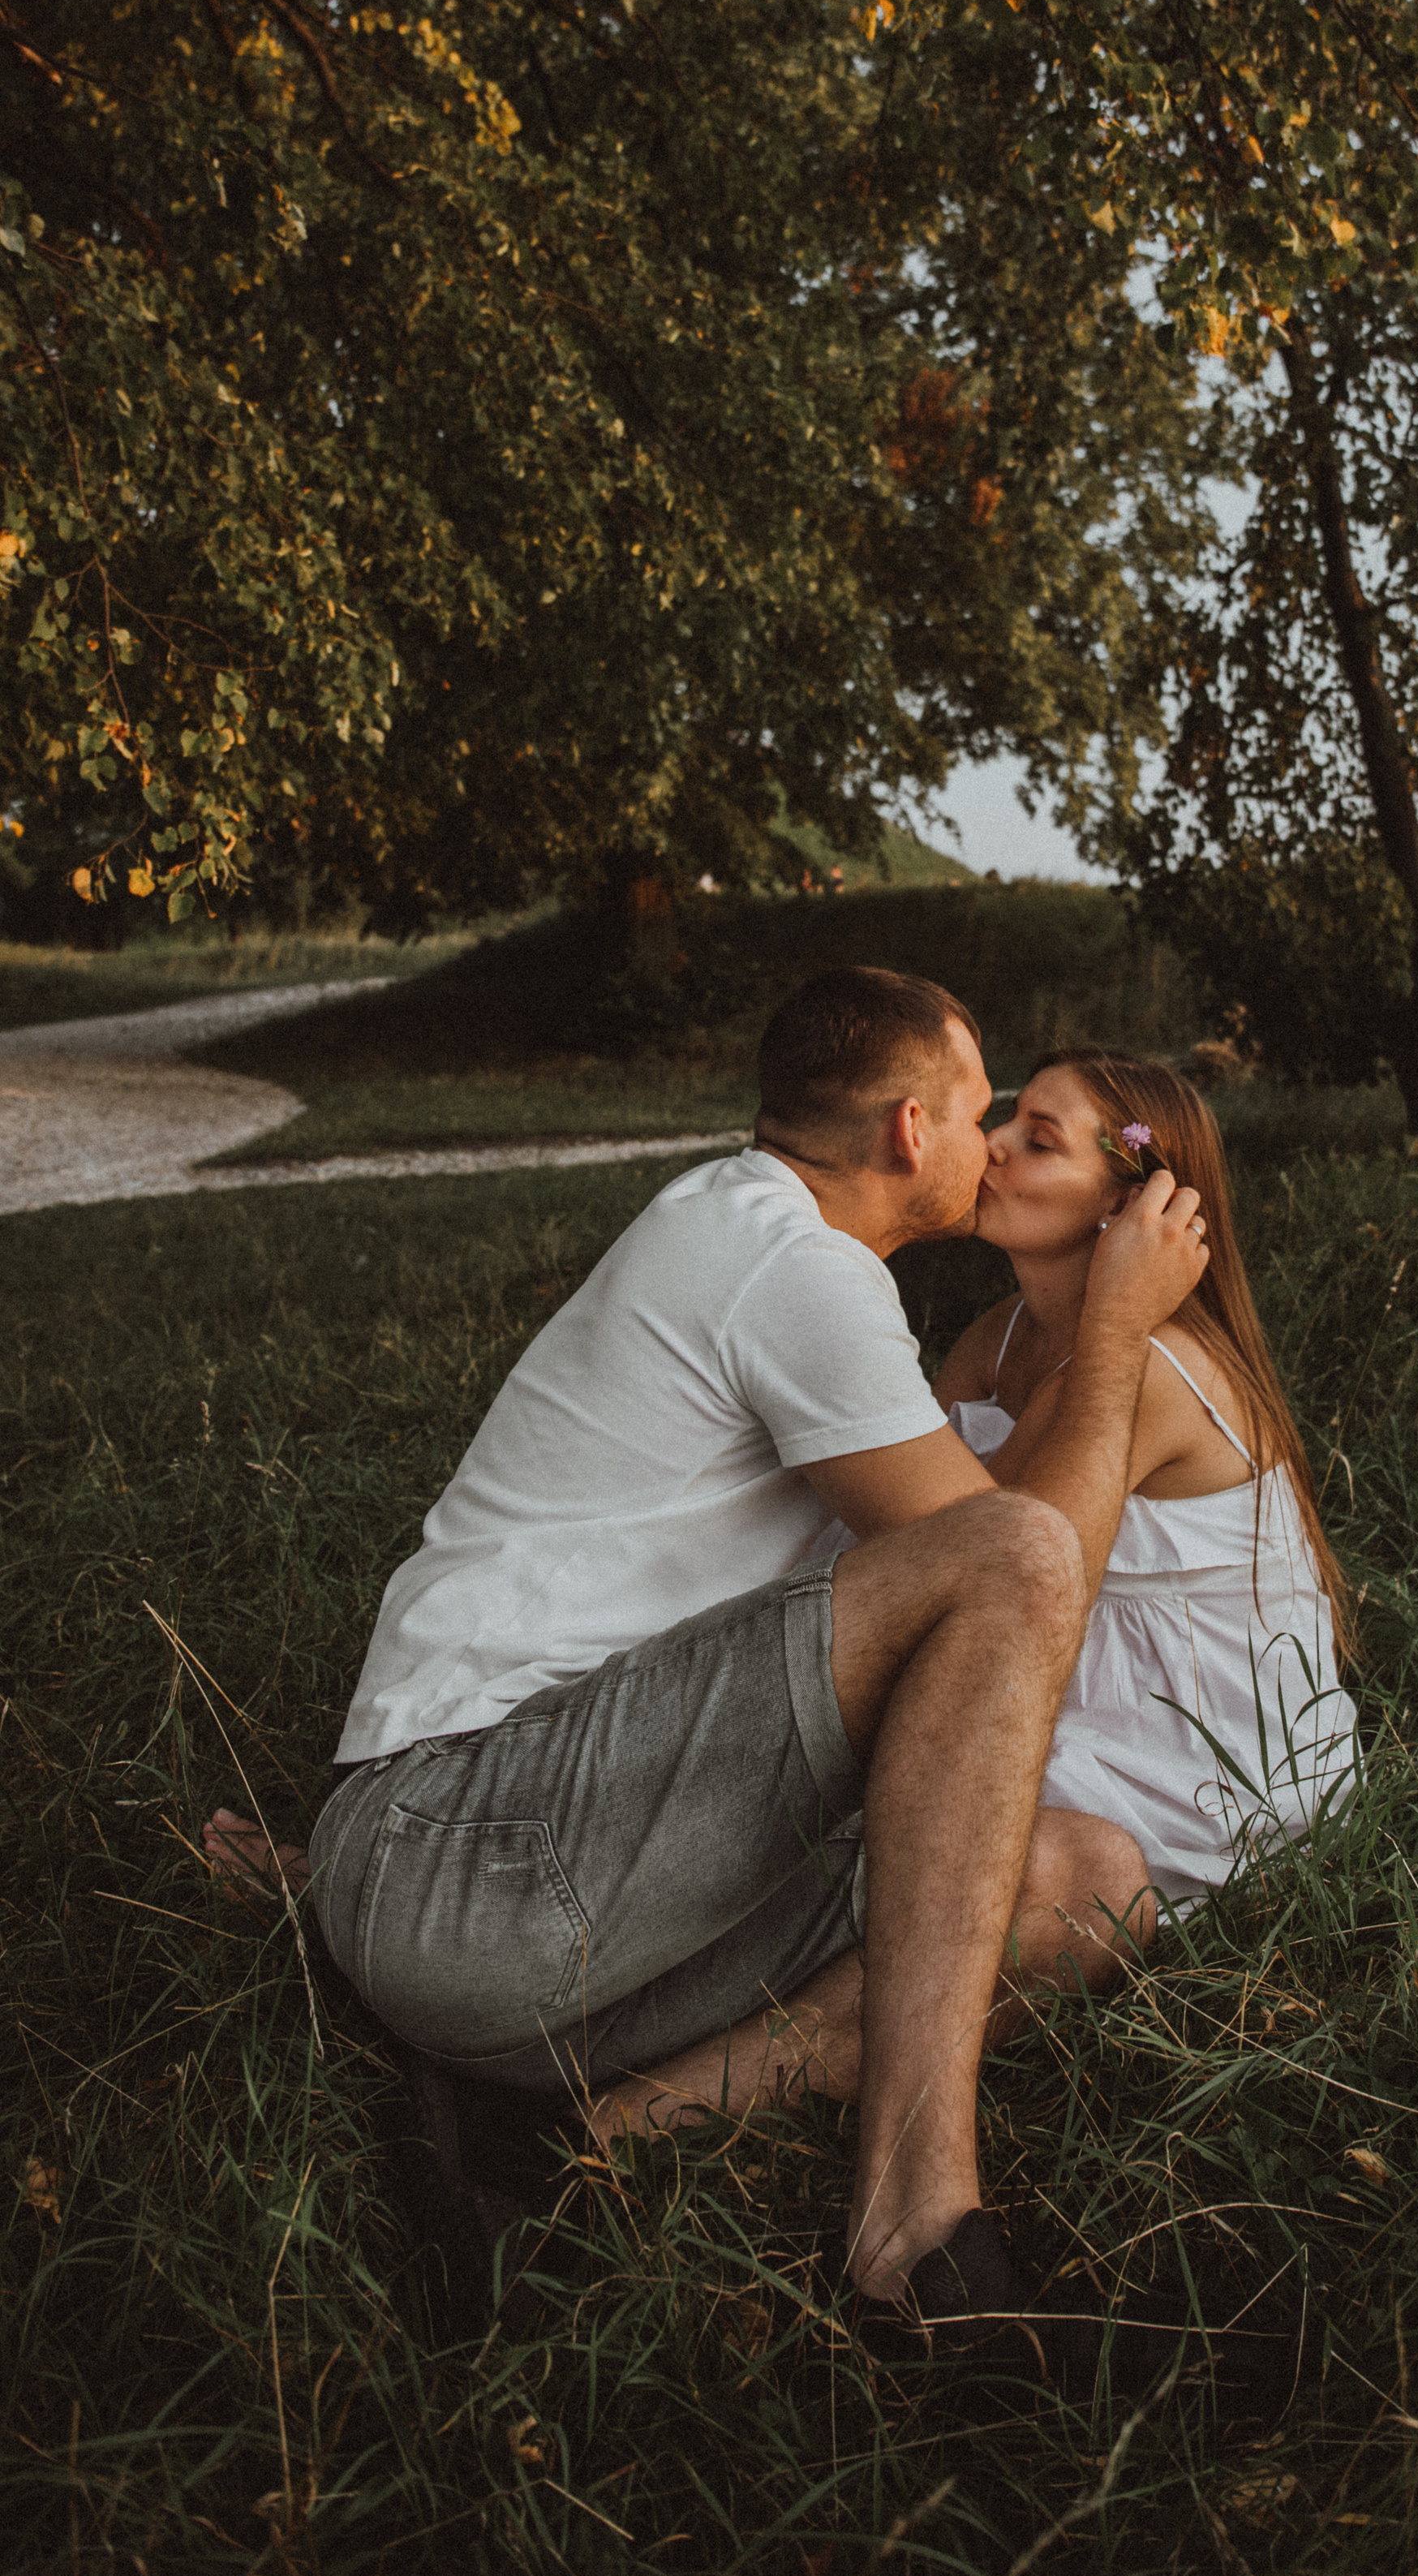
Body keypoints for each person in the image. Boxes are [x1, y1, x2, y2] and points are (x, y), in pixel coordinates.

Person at [212, 966, 1210, 2345]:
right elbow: (1029, 1576)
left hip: (570, 1918)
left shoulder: (762, 1243)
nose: (991, 1150)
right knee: (1018, 1559)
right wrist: (1112, 1330)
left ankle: (596, 2136)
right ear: (913, 1134)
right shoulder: (788, 1262)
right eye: (986, 1116)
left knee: (1095, 1887)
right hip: (470, 1865)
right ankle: (918, 2225)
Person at [940, 1049, 1358, 1903]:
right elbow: (913, 1528)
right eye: (1008, 1119)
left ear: (1125, 1206)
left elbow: (981, 1558)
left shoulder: (1155, 1366)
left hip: (1194, 1751)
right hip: (1064, 1678)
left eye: (1039, 1141)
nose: (991, 1144)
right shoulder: (1001, 1335)